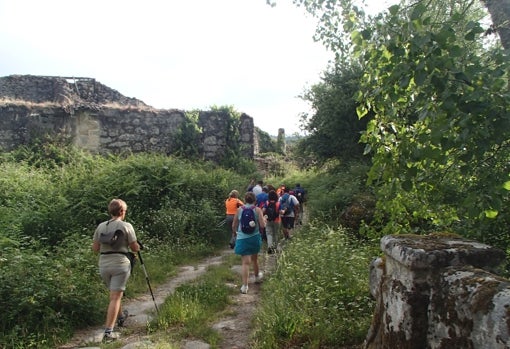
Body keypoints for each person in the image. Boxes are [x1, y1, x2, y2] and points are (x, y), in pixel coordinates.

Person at [92, 199, 140, 343]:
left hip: (104, 264)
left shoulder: (101, 226)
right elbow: (134, 247)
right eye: (124, 211)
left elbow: (95, 248)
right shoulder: (126, 226)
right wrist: (137, 247)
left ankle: (120, 317)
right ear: (121, 212)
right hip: (120, 264)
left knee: (114, 294)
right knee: (115, 297)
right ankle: (108, 332)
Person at [232, 191, 265, 294]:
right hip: (254, 238)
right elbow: (262, 225)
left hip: (242, 238)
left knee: (245, 263)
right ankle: (256, 277)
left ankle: (245, 286)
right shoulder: (258, 210)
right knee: (255, 260)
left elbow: (234, 225)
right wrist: (264, 219)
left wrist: (236, 233)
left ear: (245, 200)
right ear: (255, 200)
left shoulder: (239, 210)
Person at [263, 190, 281, 254]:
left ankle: (269, 247)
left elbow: (263, 210)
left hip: (268, 220)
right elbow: (280, 212)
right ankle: (275, 247)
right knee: (275, 233)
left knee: (269, 233)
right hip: (276, 220)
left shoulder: (267, 203)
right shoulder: (278, 203)